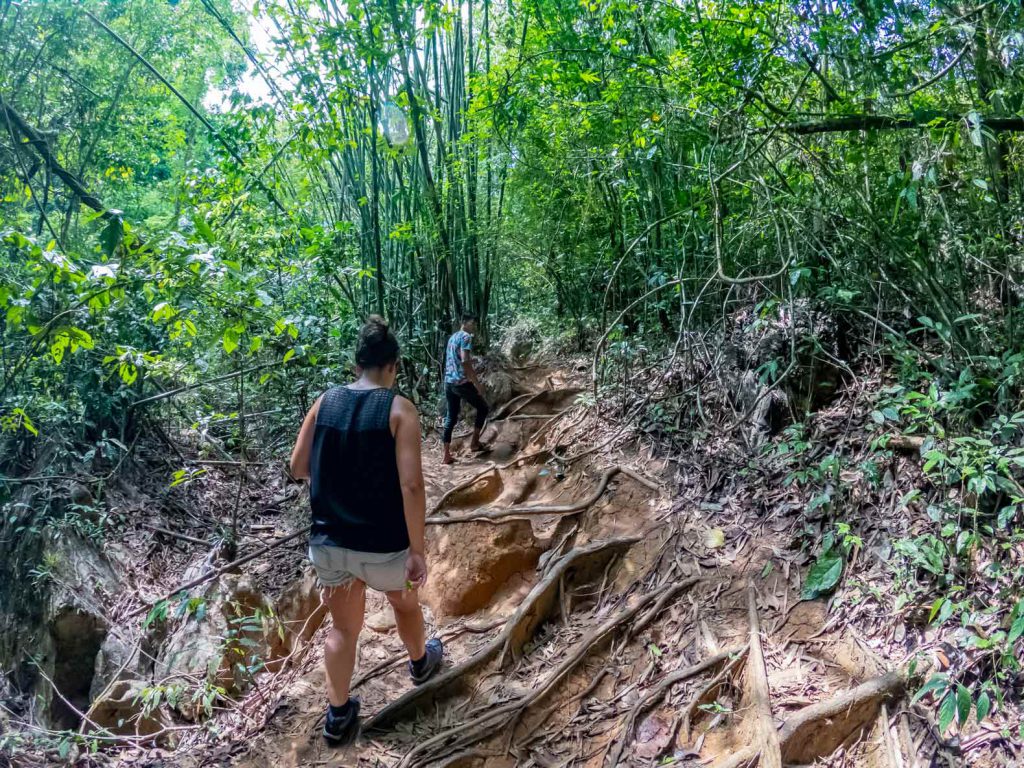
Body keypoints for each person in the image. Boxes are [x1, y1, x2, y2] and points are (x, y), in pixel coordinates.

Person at [290, 316, 444, 746]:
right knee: (405, 604)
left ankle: (338, 717)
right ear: (392, 366)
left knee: (343, 629)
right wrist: (417, 550)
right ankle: (419, 663)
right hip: (384, 547)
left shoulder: (324, 403)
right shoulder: (399, 409)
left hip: (331, 545)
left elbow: (297, 466)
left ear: (356, 365)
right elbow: (411, 485)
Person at [441, 312, 490, 465]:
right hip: (461, 383)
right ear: (465, 322)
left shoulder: (453, 337)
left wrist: (472, 359)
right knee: (483, 408)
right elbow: (464, 361)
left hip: (449, 382)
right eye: (473, 323)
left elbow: (455, 358)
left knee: (451, 417)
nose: (474, 326)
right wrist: (477, 384)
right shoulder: (466, 337)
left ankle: (446, 456)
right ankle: (474, 444)